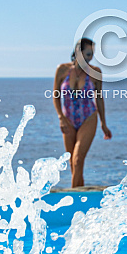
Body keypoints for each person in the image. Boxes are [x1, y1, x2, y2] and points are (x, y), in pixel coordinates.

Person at [53, 37, 112, 187]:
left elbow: (99, 99)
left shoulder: (95, 72)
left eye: (91, 54)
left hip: (88, 118)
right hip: (68, 120)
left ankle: (73, 195)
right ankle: (80, 192)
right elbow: (56, 95)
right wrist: (61, 117)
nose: (90, 58)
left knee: (78, 159)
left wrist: (103, 124)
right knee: (73, 163)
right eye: (87, 54)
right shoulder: (62, 70)